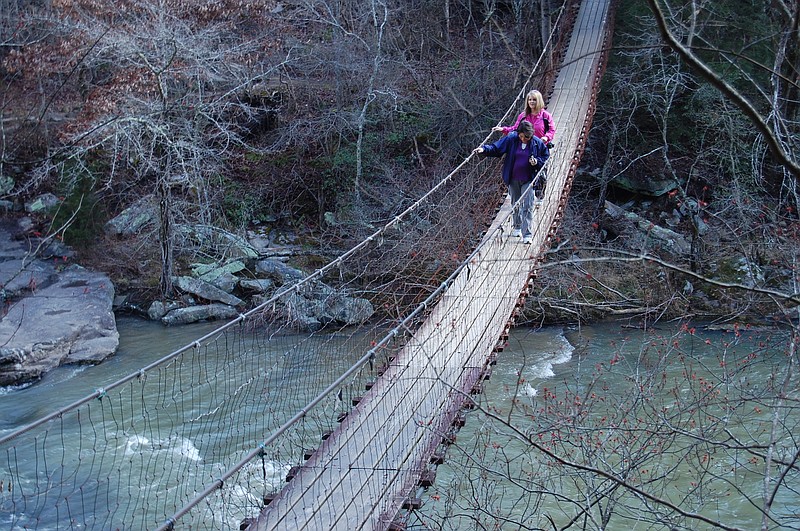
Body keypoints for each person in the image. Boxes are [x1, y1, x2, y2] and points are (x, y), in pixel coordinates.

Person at [473, 120, 550, 245]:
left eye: (527, 137)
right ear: (518, 133)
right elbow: (496, 147)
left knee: (528, 205)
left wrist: (536, 161)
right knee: (516, 204)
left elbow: (545, 157)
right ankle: (517, 226)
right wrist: (484, 149)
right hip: (513, 178)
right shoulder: (512, 139)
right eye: (522, 136)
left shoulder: (537, 143)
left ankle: (527, 235)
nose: (524, 139)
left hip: (529, 179)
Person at [492, 89, 556, 205]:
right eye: (530, 100)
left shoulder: (546, 116)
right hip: (524, 148)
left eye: (534, 100)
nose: (532, 102)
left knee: (541, 173)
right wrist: (504, 129)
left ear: (539, 101)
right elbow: (516, 129)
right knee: (524, 171)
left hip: (539, 148)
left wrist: (546, 138)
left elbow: (552, 130)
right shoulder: (523, 116)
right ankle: (521, 196)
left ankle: (539, 196)